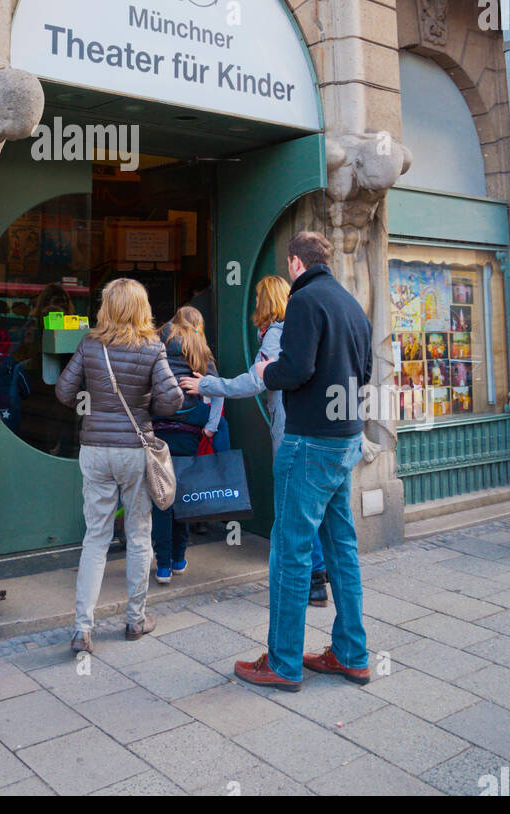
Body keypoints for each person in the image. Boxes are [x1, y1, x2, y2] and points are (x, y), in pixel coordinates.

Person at [233, 231, 372, 691]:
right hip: (344, 440)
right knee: (341, 549)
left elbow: (295, 369)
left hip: (309, 441)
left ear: (295, 263)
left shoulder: (304, 301)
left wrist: (266, 373)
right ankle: (352, 654)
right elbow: (366, 372)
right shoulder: (351, 304)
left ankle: (284, 662)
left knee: (289, 552)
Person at [181, 275, 330, 607]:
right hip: (314, 426)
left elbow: (253, 382)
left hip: (291, 429)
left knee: (295, 505)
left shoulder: (275, 336)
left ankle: (316, 579)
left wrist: (207, 385)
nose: (254, 306)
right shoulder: (300, 331)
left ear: (265, 302)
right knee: (310, 502)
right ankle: (322, 570)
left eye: (258, 299)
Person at [55, 278, 183, 654]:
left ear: (106, 307)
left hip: (95, 448)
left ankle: (82, 629)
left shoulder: (91, 343)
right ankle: (135, 619)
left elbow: (64, 392)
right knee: (139, 535)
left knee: (95, 538)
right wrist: (146, 407)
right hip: (133, 450)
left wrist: (94, 399)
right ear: (142, 308)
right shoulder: (152, 347)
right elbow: (173, 398)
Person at [151, 306, 221, 584]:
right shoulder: (201, 352)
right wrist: (211, 427)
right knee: (182, 495)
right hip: (190, 431)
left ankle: (164, 567)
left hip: (160, 429)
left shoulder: (158, 344)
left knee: (162, 499)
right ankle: (179, 558)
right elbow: (219, 392)